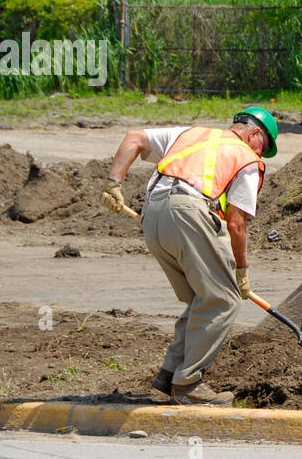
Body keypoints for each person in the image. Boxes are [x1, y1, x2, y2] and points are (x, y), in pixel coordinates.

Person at [100, 106, 280, 406]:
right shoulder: (248, 159)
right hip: (187, 213)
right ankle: (189, 383)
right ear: (254, 134)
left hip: (153, 215)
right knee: (223, 299)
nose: (262, 153)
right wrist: (241, 271)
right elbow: (236, 223)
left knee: (201, 297)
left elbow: (134, 138)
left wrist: (113, 184)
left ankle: (169, 375)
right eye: (265, 146)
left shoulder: (190, 133)